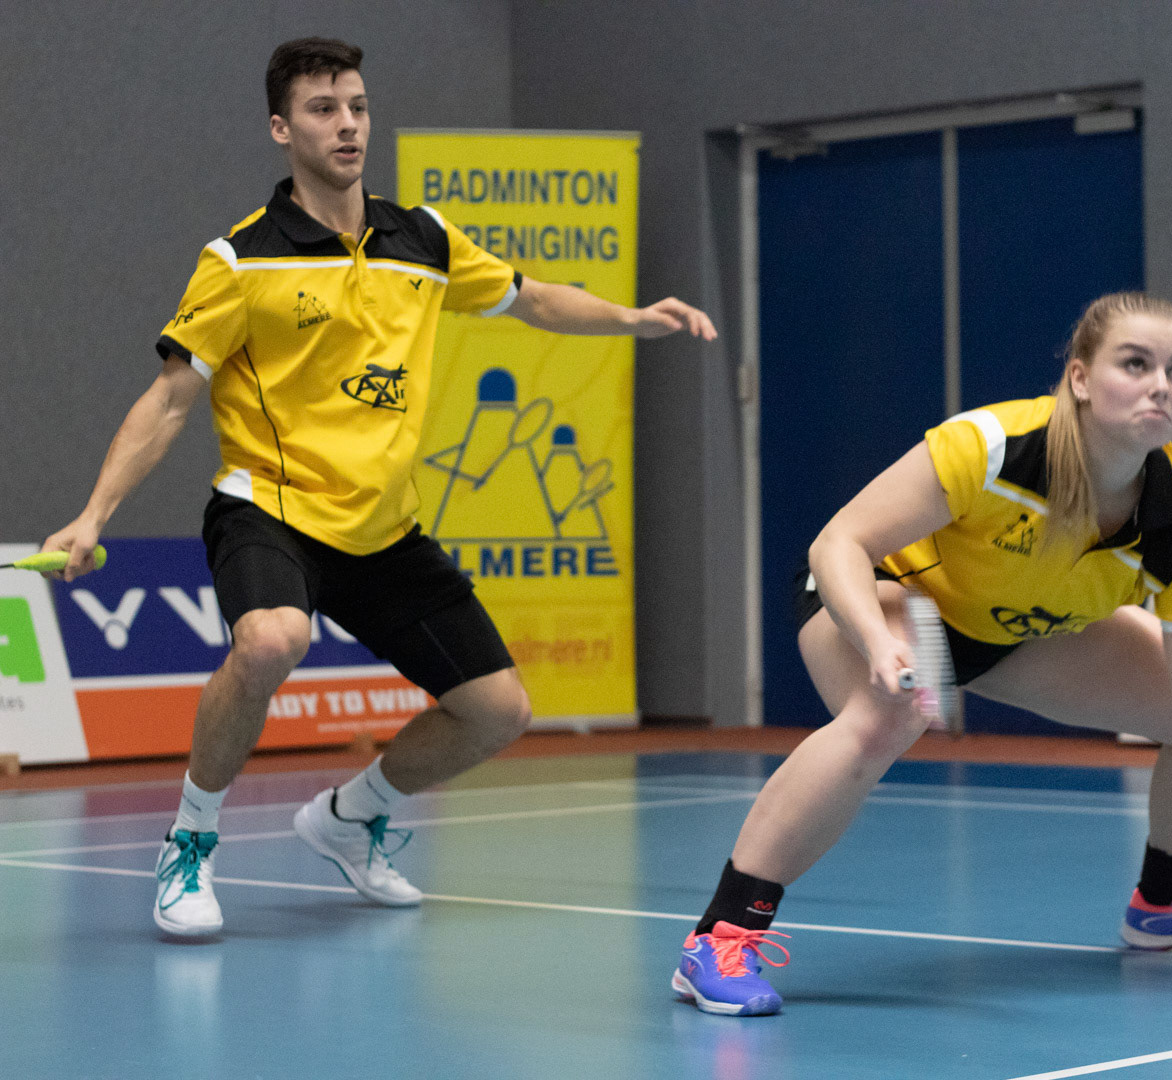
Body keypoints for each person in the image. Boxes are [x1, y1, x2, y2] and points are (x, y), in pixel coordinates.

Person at [41, 37, 716, 939]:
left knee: (498, 711)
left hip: (384, 527)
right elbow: (170, 398)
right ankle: (190, 841)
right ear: (281, 129)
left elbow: (531, 297)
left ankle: (349, 817)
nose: (348, 124)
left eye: (357, 106)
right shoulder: (242, 260)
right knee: (272, 639)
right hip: (271, 506)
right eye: (323, 109)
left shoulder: (422, 240)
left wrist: (632, 317)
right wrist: (94, 514)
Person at [673, 291, 1172, 1016]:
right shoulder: (995, 448)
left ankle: (1166, 903)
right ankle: (719, 937)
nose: (1161, 386)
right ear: (1081, 378)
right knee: (894, 713)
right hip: (890, 596)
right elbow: (840, 543)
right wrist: (876, 642)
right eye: (1135, 364)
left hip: (1012, 631)